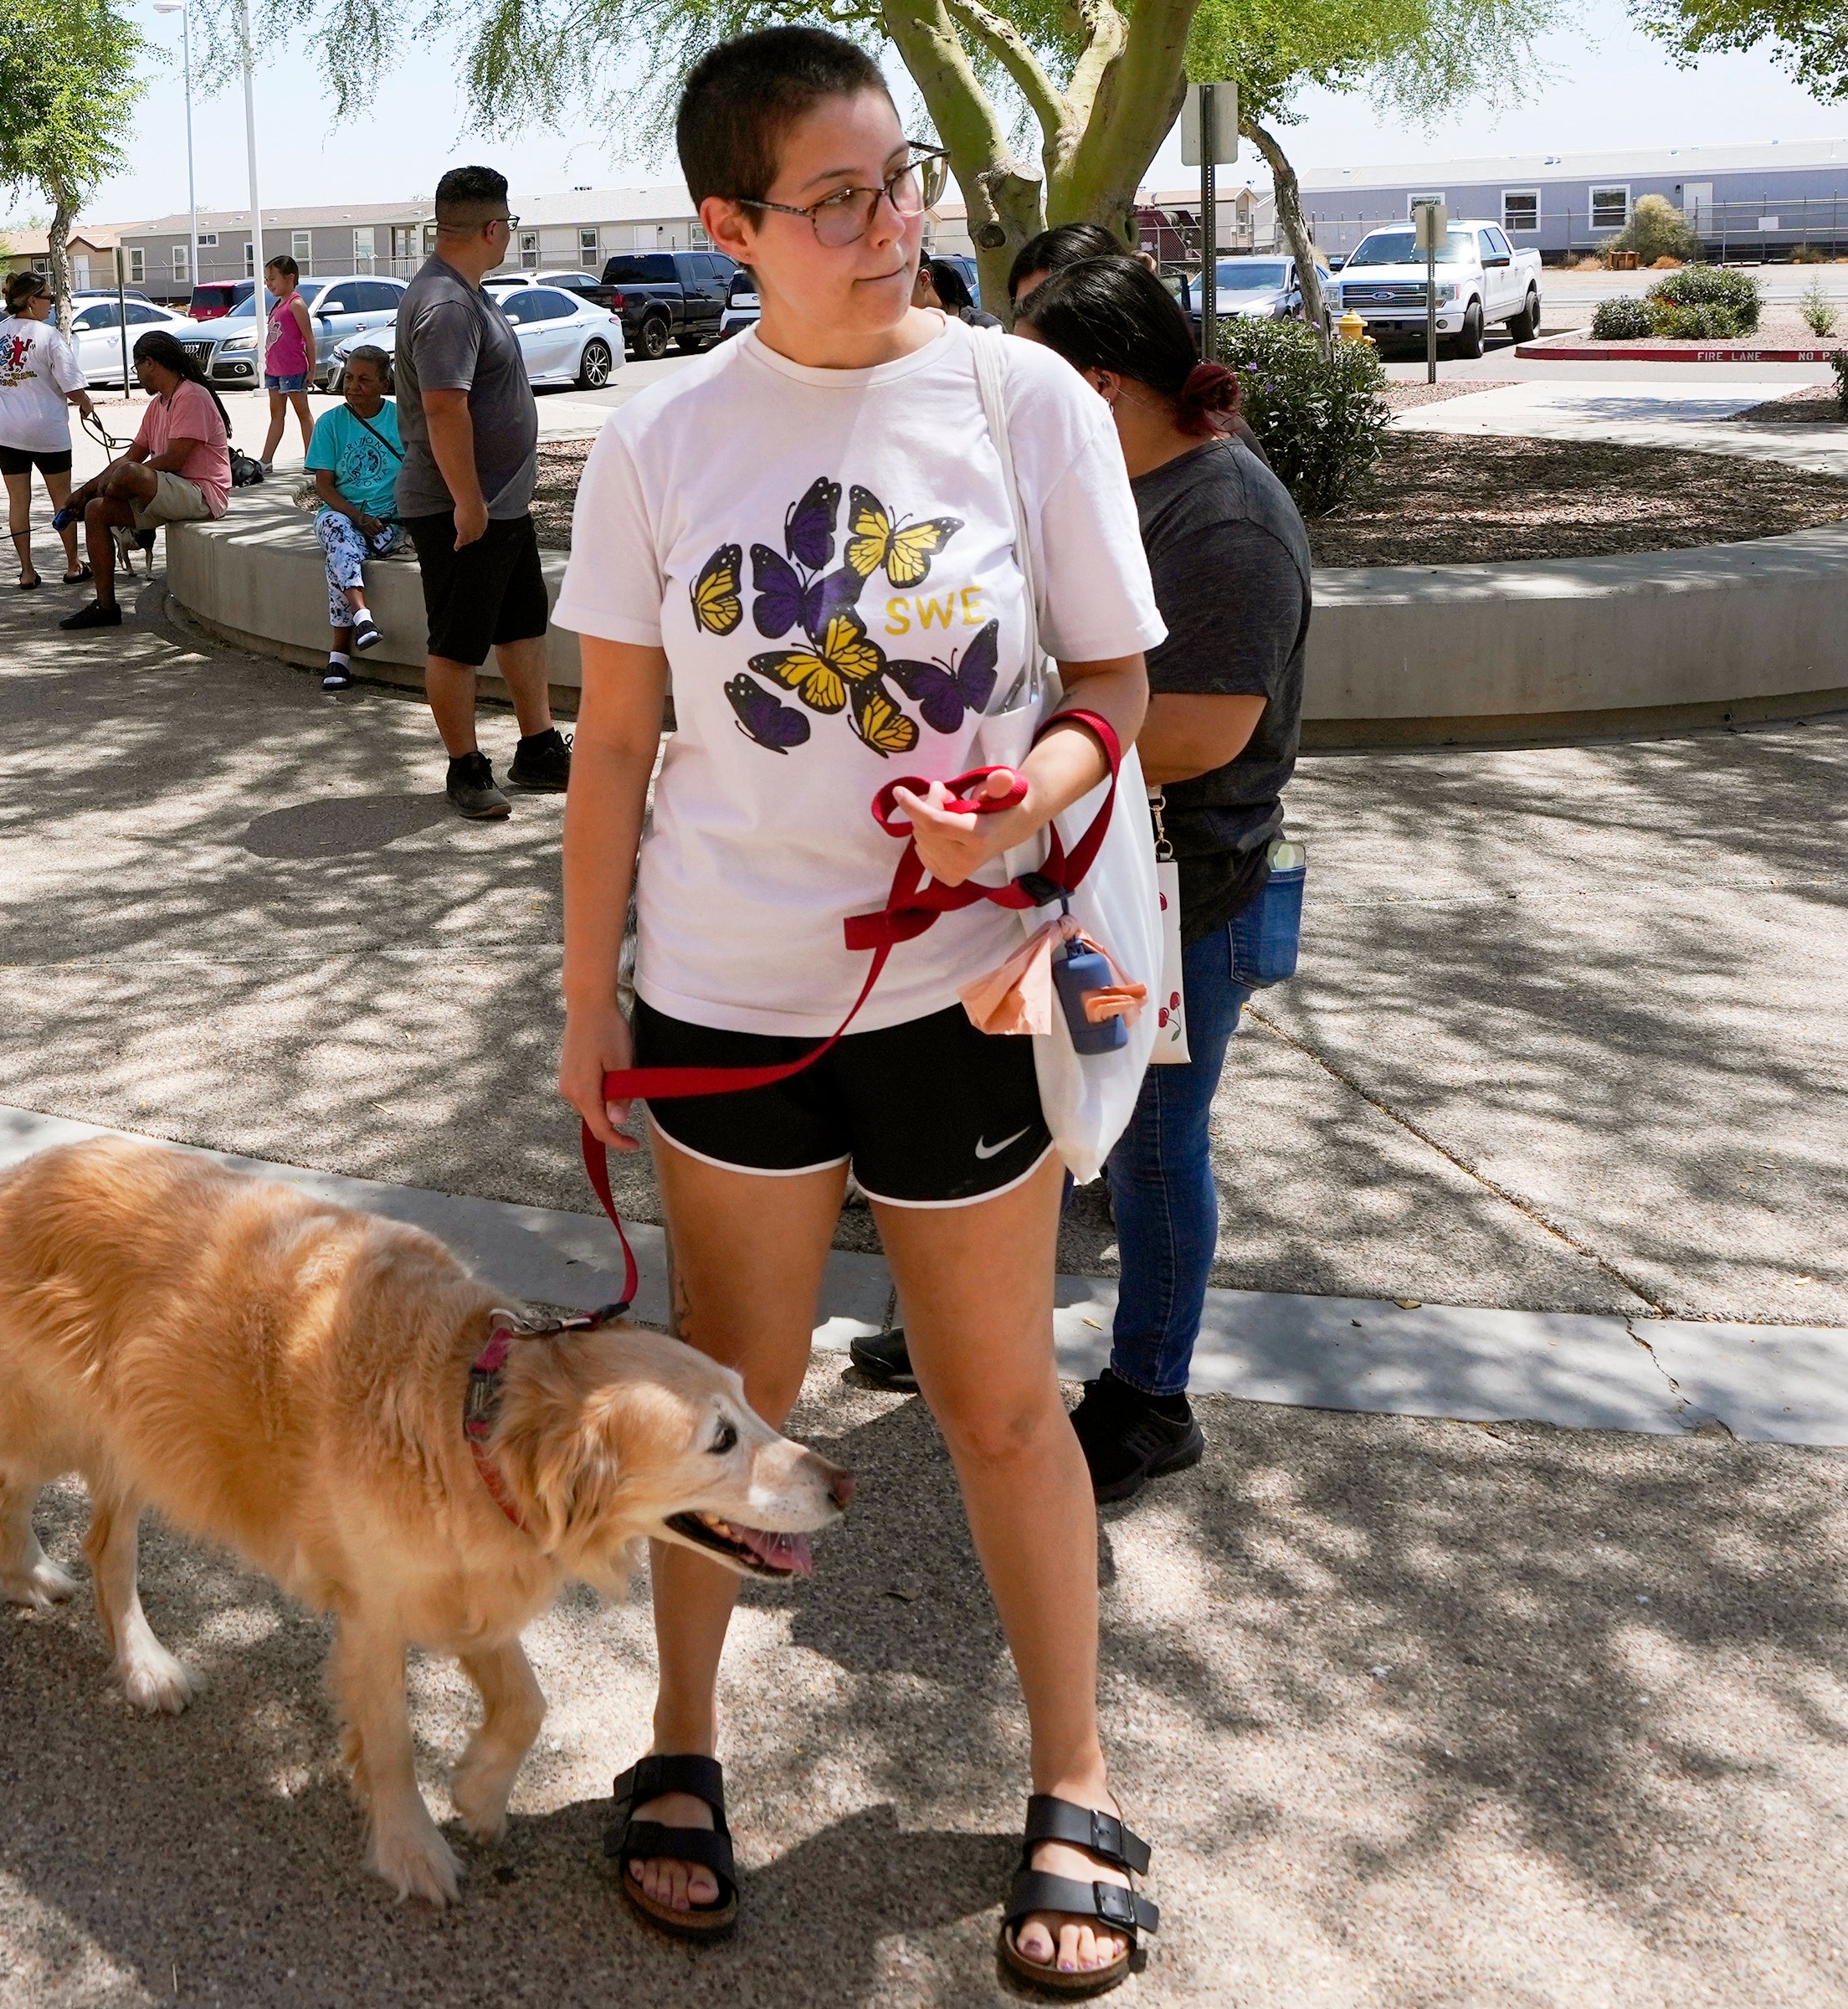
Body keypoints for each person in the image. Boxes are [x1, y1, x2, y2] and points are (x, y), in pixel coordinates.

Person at [553, 28, 1164, 1996]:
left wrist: (1033, 790)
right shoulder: (658, 435)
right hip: (723, 1000)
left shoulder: (1026, 398)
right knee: (730, 1395)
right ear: (727, 223)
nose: (894, 224)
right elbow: (616, 747)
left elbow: (1115, 690)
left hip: (964, 990)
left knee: (998, 1401)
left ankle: (1072, 1769)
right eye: (837, 198)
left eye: (898, 179)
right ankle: (680, 1737)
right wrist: (586, 1011)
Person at [1010, 255, 1308, 1501]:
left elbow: (1201, 730)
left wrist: (1016, 745)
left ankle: (1150, 1399)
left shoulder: (1221, 515)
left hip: (1179, 913)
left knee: (1148, 1147)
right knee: (1045, 1114)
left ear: (1099, 383)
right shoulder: (1127, 481)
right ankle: (978, 1347)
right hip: (1108, 893)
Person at [392, 163, 572, 820]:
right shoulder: (445, 304)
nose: (509, 237)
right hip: (460, 507)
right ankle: (465, 768)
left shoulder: (466, 291)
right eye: (510, 227)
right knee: (458, 640)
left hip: (501, 504)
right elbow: (444, 409)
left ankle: (539, 747)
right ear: (493, 228)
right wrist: (468, 501)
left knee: (521, 624)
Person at [55, 330, 231, 631]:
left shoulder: (191, 396)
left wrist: (116, 484)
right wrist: (84, 492)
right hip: (166, 491)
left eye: (137, 368)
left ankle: (106, 496)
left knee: (126, 477)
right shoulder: (158, 404)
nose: (137, 375)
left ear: (150, 363)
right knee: (97, 510)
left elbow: (173, 460)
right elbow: (129, 456)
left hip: (201, 494)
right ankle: (106, 606)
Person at [0, 269, 97, 589]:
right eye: (49, 299)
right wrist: (87, 404)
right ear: (31, 301)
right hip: (46, 429)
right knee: (63, 500)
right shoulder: (49, 336)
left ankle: (27, 571)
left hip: (3, 429)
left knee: (19, 501)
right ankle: (73, 565)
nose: (51, 305)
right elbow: (71, 387)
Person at [304, 345, 407, 691]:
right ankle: (362, 617)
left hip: (387, 525)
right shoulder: (331, 423)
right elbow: (325, 487)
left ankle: (339, 656)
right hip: (341, 515)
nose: (353, 385)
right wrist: (357, 516)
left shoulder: (401, 419)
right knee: (338, 532)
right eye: (349, 377)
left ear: (383, 383)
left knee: (339, 556)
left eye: (364, 379)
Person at [259, 254, 316, 470]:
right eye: (267, 279)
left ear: (290, 277)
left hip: (293, 370)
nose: (269, 283)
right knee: (276, 414)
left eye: (273, 278)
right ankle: (266, 460)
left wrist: (311, 370)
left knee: (303, 414)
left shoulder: (296, 304)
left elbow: (309, 339)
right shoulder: (277, 305)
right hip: (274, 369)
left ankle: (312, 458)